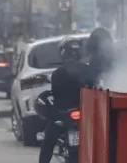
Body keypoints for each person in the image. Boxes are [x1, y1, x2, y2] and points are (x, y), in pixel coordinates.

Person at [38, 28, 114, 163]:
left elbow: (56, 96)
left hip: (65, 117)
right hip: (86, 116)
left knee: (48, 142)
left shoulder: (58, 73)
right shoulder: (90, 71)